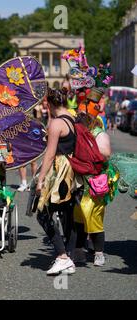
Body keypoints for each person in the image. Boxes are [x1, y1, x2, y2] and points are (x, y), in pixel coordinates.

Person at [36, 88, 77, 275]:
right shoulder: (71, 118)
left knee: (42, 212)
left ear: (51, 104)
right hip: (72, 171)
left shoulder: (56, 124)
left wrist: (40, 179)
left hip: (59, 171)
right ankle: (69, 256)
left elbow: (50, 154)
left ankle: (62, 257)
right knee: (68, 213)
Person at [72, 108, 117, 267]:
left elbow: (105, 154)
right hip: (79, 182)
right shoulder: (76, 132)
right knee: (79, 218)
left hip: (95, 183)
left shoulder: (99, 133)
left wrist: (88, 148)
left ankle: (99, 253)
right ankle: (78, 250)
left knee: (95, 218)